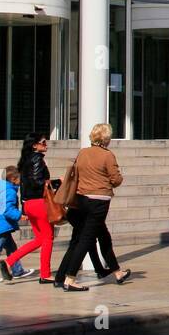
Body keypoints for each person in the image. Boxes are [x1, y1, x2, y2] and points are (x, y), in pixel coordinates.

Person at [54, 123, 127, 291]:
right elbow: (116, 180)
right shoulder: (108, 156)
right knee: (85, 240)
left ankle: (116, 271)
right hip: (99, 201)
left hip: (80, 200)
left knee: (97, 236)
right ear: (106, 139)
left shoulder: (83, 153)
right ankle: (70, 279)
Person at [5, 134, 58, 284]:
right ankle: (45, 274)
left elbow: (24, 185)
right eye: (43, 142)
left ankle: (9, 261)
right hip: (39, 203)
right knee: (48, 238)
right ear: (34, 145)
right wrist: (54, 183)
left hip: (29, 204)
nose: (46, 144)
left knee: (40, 239)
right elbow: (37, 181)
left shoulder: (24, 161)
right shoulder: (37, 159)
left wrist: (23, 207)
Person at [0, 166, 35, 284]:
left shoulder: (1, 189)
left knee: (11, 248)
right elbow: (7, 209)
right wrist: (20, 215)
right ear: (13, 179)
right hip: (2, 224)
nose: (21, 182)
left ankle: (17, 270)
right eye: (19, 179)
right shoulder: (9, 191)